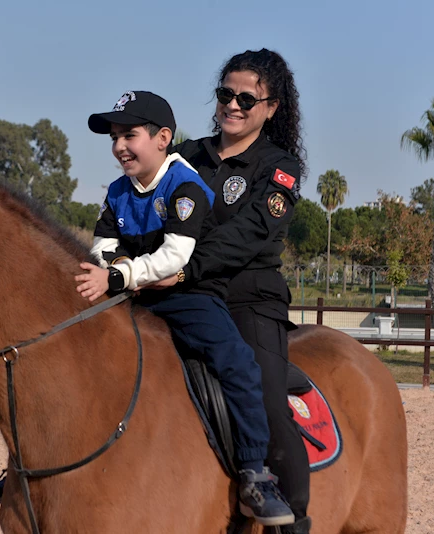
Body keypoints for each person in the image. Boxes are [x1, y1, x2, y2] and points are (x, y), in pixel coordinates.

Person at [0, 90, 295, 527]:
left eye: (129, 135)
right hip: (131, 292)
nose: (119, 146)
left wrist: (118, 275)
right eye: (114, 137)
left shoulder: (185, 186)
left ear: (163, 137)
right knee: (59, 352)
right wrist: (112, 267)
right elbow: (103, 245)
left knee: (238, 363)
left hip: (187, 296)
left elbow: (175, 257)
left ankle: (254, 473)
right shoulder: (117, 191)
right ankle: (23, 466)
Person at [146, 48, 312, 534]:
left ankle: (290, 518)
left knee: (264, 399)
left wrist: (178, 269)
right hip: (172, 289)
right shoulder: (185, 156)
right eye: (225, 94)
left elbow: (250, 235)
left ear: (272, 108)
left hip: (246, 297)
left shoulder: (279, 167)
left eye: (247, 98)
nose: (233, 106)